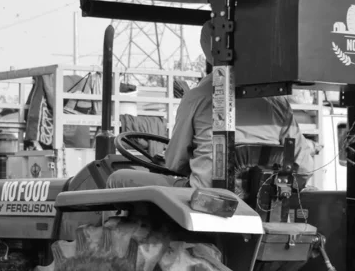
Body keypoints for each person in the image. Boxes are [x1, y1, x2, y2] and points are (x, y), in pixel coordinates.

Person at [107, 21, 315, 192]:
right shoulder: (278, 102)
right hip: (264, 205)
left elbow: (173, 163)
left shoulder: (198, 97)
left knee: (118, 179)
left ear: (209, 51)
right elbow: (304, 167)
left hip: (204, 199)